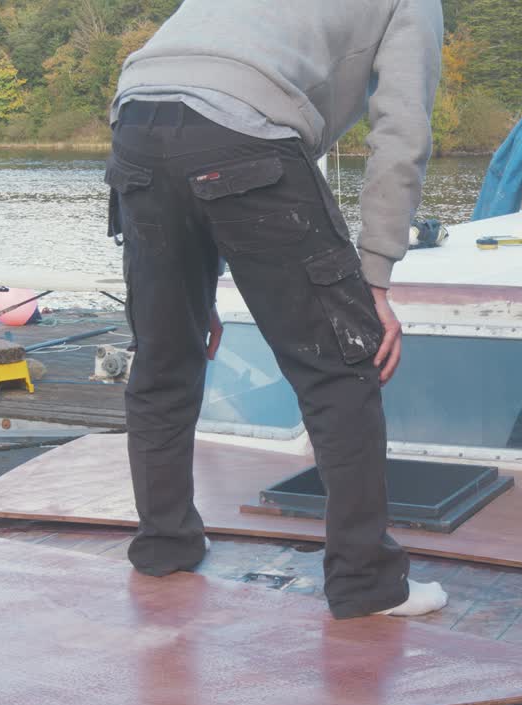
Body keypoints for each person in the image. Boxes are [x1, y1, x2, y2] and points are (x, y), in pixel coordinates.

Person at [105, 0, 448, 620]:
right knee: (342, 369)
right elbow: (400, 132)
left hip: (136, 116)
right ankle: (367, 584)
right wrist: (373, 280)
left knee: (163, 359)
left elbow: (195, 94)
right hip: (244, 131)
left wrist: (195, 286)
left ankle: (164, 546)